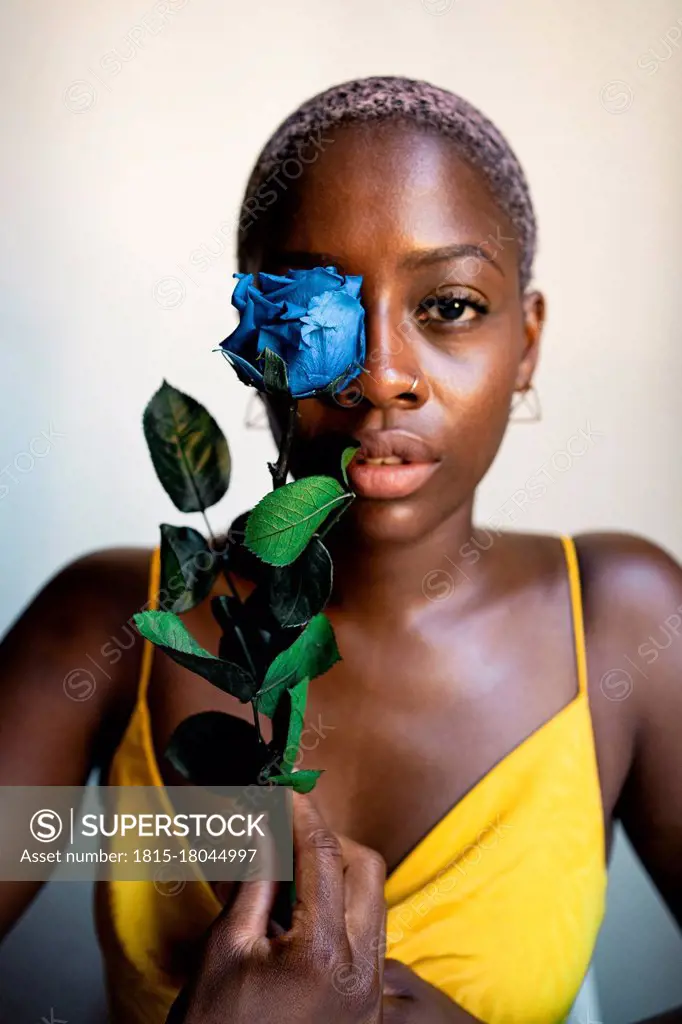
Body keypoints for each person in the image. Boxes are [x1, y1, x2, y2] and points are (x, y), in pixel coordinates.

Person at [1, 75, 681, 1023]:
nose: (379, 377)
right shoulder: (104, 631)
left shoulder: (625, 622)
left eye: (447, 306)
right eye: (318, 312)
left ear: (525, 344)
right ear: (252, 345)